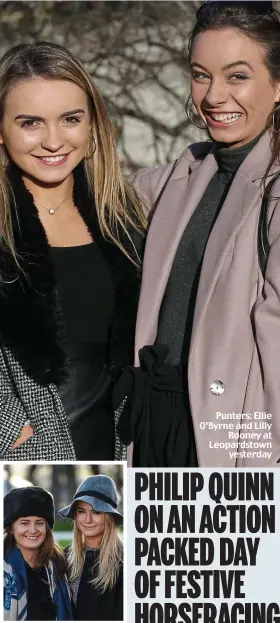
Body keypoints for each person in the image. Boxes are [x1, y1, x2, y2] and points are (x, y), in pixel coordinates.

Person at [114, 0, 280, 467]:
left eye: (238, 76)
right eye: (201, 74)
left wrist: (256, 468)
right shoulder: (181, 174)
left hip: (232, 445)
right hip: (153, 427)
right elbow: (93, 202)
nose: (214, 96)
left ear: (277, 83)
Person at [0, 41, 145, 461]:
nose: (53, 141)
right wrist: (9, 427)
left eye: (70, 119)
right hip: (21, 460)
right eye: (30, 122)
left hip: (120, 454)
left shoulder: (124, 218)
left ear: (92, 124)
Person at [4, 486, 73, 621]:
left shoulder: (58, 566)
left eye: (39, 523)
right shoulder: (3, 569)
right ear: (11, 528)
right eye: (24, 523)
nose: (33, 530)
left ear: (47, 528)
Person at [60, 474, 123, 621]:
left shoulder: (125, 561)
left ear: (109, 516)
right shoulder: (64, 557)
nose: (87, 520)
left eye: (96, 512)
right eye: (81, 511)